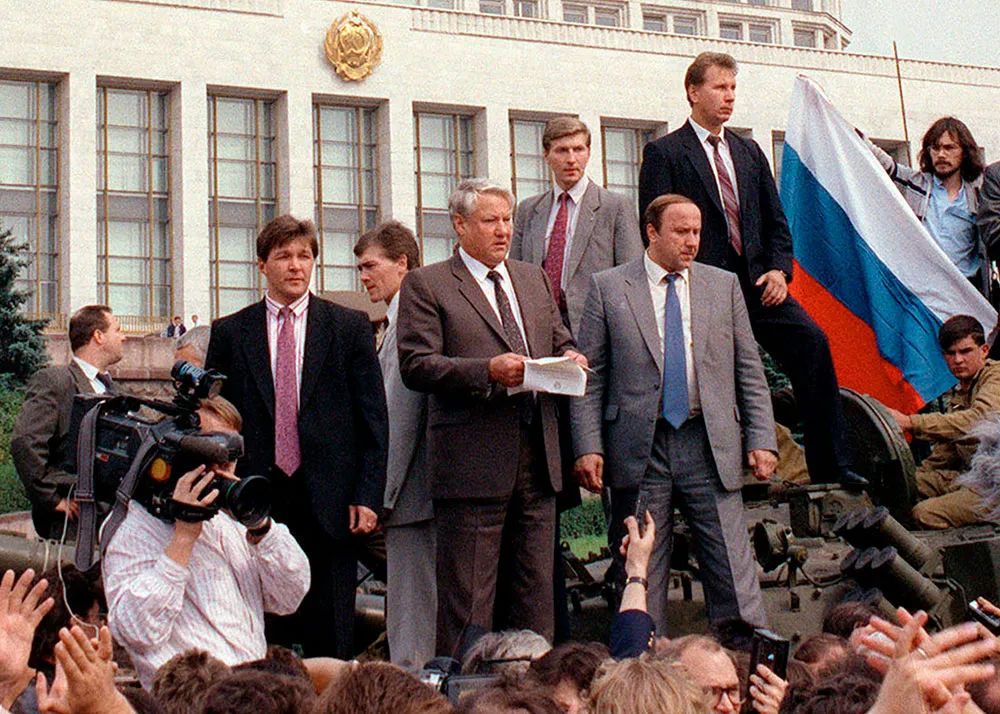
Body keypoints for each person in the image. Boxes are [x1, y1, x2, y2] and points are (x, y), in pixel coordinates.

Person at [638, 51, 862, 489]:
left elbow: (777, 224)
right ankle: (711, 479)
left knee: (813, 344)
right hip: (701, 289)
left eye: (733, 88)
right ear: (693, 92)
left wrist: (779, 271)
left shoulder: (749, 151)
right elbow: (653, 228)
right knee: (716, 379)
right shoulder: (665, 153)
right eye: (720, 87)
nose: (729, 97)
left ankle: (832, 468)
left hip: (759, 286)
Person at [396, 178, 585, 656]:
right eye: (490, 221)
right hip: (473, 464)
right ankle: (467, 694)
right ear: (460, 226)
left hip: (539, 461)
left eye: (507, 220)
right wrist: (487, 372)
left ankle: (536, 694)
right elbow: (417, 365)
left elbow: (557, 338)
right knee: (468, 605)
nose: (503, 231)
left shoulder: (532, 277)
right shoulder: (428, 284)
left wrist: (569, 356)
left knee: (536, 597)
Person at [571, 194, 776, 633]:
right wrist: (587, 447)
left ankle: (745, 673)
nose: (692, 242)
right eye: (681, 232)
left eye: (697, 232)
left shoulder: (722, 285)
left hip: (708, 444)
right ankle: (644, 677)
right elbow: (591, 376)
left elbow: (749, 369)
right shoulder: (608, 287)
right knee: (641, 573)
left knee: (734, 579)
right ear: (652, 232)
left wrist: (761, 438)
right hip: (640, 451)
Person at [205, 214, 388, 659]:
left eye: (304, 256)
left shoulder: (348, 327)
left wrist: (368, 494)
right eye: (283, 256)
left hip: (331, 502)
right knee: (264, 635)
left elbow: (373, 421)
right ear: (262, 265)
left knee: (334, 634)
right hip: (257, 501)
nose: (295, 266)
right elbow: (216, 419)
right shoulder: (231, 332)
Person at [101, 395, 310, 688]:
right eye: (211, 454)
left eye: (231, 456)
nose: (223, 469)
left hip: (248, 695)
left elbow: (290, 596)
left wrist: (260, 526)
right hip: (191, 701)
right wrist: (183, 539)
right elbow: (137, 633)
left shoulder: (229, 525)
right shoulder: (135, 531)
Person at [354, 220, 435, 673]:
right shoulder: (401, 315)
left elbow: (399, 416)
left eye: (370, 266)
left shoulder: (409, 317)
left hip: (410, 497)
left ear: (402, 263)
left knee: (413, 620)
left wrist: (379, 495)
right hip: (417, 493)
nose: (363, 277)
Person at [510, 117, 643, 335]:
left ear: (588, 153)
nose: (571, 159)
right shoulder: (528, 210)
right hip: (540, 327)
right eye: (562, 151)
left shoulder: (615, 206)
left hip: (595, 328)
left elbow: (632, 278)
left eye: (578, 149)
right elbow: (515, 272)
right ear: (546, 155)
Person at [11, 305, 127, 539]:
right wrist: (51, 498)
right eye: (117, 329)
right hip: (75, 523)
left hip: (112, 522)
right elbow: (25, 441)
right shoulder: (57, 381)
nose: (124, 337)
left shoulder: (117, 391)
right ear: (98, 336)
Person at [883, 315, 1000, 528]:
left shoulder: (996, 377)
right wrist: (912, 478)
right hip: (971, 476)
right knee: (897, 488)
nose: (958, 360)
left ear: (983, 351)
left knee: (924, 514)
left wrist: (911, 422)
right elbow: (946, 452)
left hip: (994, 486)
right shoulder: (961, 392)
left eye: (966, 351)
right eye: (951, 353)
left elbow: (979, 421)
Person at [865, 118, 988, 299]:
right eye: (935, 148)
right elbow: (881, 160)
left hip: (966, 292)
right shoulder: (916, 184)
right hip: (922, 292)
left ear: (965, 152)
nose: (941, 154)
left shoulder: (980, 191)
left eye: (949, 148)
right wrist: (844, 125)